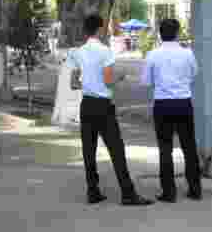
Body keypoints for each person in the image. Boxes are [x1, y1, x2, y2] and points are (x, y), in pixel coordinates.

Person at [68, 14, 153, 207]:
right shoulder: (105, 51)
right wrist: (120, 77)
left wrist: (89, 83)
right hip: (103, 106)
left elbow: (73, 83)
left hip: (86, 104)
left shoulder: (77, 52)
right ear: (99, 30)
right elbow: (108, 81)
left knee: (88, 149)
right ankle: (128, 193)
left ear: (86, 30)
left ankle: (92, 191)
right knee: (116, 149)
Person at [141, 18, 201, 202]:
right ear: (178, 33)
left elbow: (146, 81)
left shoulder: (153, 55)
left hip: (162, 104)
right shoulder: (187, 54)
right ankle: (195, 189)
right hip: (183, 103)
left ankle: (169, 192)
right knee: (189, 146)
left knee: (165, 149)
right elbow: (194, 74)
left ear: (160, 33)